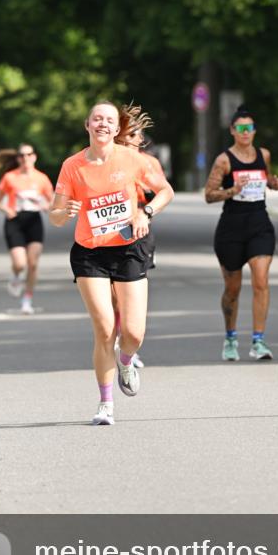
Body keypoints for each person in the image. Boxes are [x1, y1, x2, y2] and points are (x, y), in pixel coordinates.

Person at [49, 101, 174, 425]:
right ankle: (106, 404)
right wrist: (66, 212)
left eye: (109, 120)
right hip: (90, 252)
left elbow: (165, 191)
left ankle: (126, 359)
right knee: (104, 327)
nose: (102, 124)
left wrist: (145, 212)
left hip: (128, 248)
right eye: (96, 119)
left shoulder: (133, 159)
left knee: (133, 332)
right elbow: (56, 216)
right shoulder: (72, 166)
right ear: (87, 125)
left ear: (117, 129)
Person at [204, 105, 278, 361]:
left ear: (254, 130)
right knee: (233, 289)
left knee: (261, 281)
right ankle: (230, 338)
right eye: (241, 128)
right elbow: (209, 195)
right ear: (232, 131)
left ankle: (258, 341)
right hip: (231, 229)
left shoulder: (264, 154)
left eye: (249, 128)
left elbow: (268, 178)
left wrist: (274, 183)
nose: (245, 132)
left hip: (260, 224)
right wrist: (232, 191)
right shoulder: (224, 160)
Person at [113, 103, 166, 368]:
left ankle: (129, 343)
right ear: (120, 134)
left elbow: (162, 192)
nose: (139, 140)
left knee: (131, 292)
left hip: (139, 231)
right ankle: (117, 337)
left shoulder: (149, 162)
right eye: (133, 134)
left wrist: (146, 208)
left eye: (140, 135)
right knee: (113, 294)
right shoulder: (105, 160)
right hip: (108, 233)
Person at [0, 144, 54, 315]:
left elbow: (52, 203)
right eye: (22, 155)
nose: (25, 158)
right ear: (18, 158)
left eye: (29, 154)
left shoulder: (42, 178)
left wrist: (46, 206)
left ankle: (27, 300)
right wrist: (6, 209)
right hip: (14, 221)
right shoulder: (10, 177)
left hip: (34, 221)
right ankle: (16, 276)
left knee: (33, 264)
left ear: (34, 157)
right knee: (20, 264)